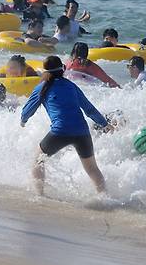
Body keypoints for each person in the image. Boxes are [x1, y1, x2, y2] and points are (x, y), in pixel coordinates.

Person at [20, 56, 111, 196]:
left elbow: (28, 109)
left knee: (38, 161)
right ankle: (105, 197)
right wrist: (104, 124)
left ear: (45, 71)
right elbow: (89, 109)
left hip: (60, 132)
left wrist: (23, 120)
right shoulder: (71, 86)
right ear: (63, 69)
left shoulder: (42, 87)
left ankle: (40, 195)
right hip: (82, 132)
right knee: (92, 168)